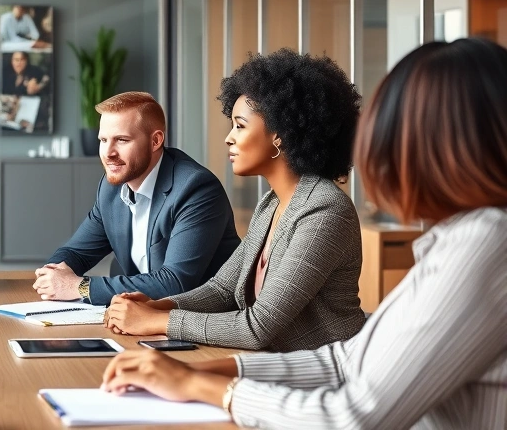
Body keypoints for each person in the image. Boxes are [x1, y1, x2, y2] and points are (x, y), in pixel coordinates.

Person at [100, 38, 507, 429]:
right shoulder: (463, 239)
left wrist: (195, 379)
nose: (377, 153)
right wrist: (189, 359)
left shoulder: (484, 243)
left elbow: (351, 415)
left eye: (389, 136)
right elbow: (343, 361)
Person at [105, 51, 366, 351]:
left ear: (280, 135)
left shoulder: (324, 211)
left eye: (240, 126)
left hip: (327, 374)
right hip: (274, 367)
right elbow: (222, 290)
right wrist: (157, 305)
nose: (229, 138)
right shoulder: (270, 205)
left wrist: (156, 322)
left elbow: (258, 327)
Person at [34, 92, 240, 306]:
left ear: (155, 140)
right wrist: (53, 274)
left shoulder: (195, 188)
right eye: (103, 140)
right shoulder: (111, 188)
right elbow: (77, 252)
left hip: (198, 322)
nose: (108, 153)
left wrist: (78, 287)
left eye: (122, 140)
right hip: (140, 317)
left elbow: (175, 283)